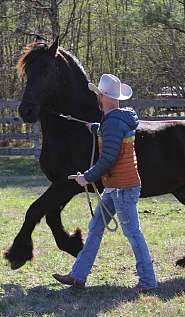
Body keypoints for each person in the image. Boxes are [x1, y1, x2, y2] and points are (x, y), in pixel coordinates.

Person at [52, 74, 158, 292]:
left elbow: (108, 158)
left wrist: (86, 177)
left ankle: (148, 281)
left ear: (105, 97)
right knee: (96, 228)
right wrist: (96, 128)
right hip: (116, 186)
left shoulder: (112, 123)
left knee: (133, 233)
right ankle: (78, 276)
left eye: (99, 95)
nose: (98, 99)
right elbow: (112, 136)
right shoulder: (117, 120)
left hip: (122, 188)